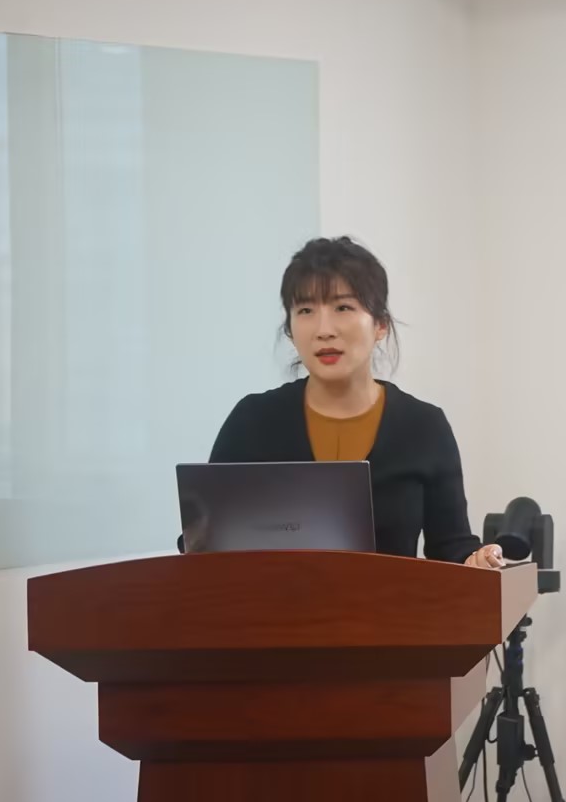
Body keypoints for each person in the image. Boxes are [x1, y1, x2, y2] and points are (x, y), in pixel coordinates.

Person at [207, 236, 504, 568]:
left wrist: (477, 559)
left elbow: (452, 548)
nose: (323, 330)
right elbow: (205, 541)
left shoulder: (424, 426)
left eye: (343, 308)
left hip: (391, 603)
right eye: (305, 310)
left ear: (380, 324)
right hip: (272, 603)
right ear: (290, 329)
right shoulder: (252, 421)